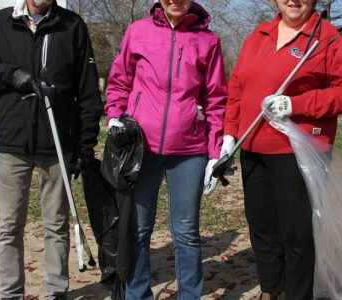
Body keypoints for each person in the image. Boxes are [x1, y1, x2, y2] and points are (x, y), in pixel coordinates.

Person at [223, 0, 342, 298]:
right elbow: (237, 88)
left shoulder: (329, 39)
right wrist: (229, 134)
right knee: (262, 227)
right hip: (253, 147)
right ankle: (274, 290)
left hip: (296, 151)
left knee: (296, 233)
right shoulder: (259, 34)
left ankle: (298, 294)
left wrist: (295, 104)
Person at [104, 0, 230, 299]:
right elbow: (119, 80)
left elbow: (215, 97)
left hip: (189, 150)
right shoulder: (138, 31)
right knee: (139, 228)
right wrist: (114, 115)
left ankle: (190, 294)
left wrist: (215, 152)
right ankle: (138, 294)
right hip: (140, 147)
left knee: (186, 231)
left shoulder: (208, 40)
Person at [0, 0, 102, 298]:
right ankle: (10, 293)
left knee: (56, 224)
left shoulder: (72, 25)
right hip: (11, 142)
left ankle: (55, 291)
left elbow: (88, 89)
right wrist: (10, 75)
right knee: (10, 226)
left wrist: (85, 143)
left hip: (57, 142)